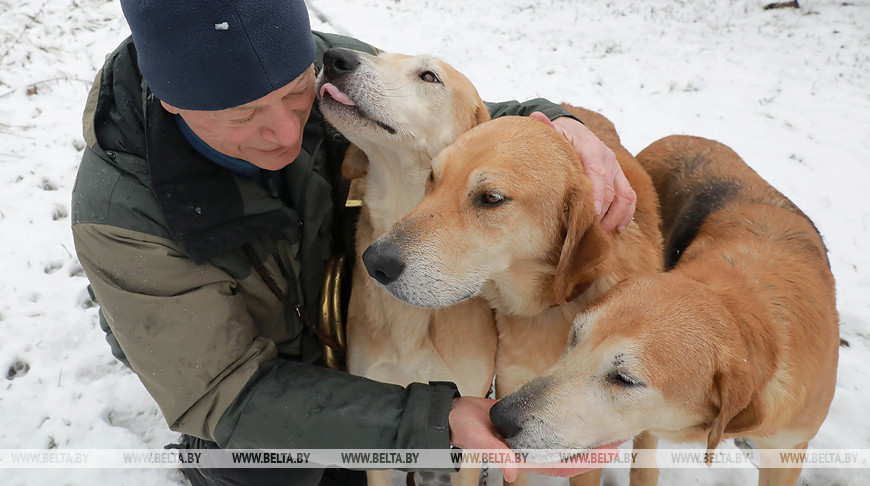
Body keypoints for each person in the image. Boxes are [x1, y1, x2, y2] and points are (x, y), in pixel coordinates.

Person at [71, 1, 637, 484]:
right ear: (173, 103)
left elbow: (454, 116)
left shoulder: (319, 63)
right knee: (273, 466)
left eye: (298, 96)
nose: (287, 133)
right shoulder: (119, 215)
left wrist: (558, 122)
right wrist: (432, 421)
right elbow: (222, 389)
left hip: (341, 310)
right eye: (245, 115)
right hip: (229, 360)